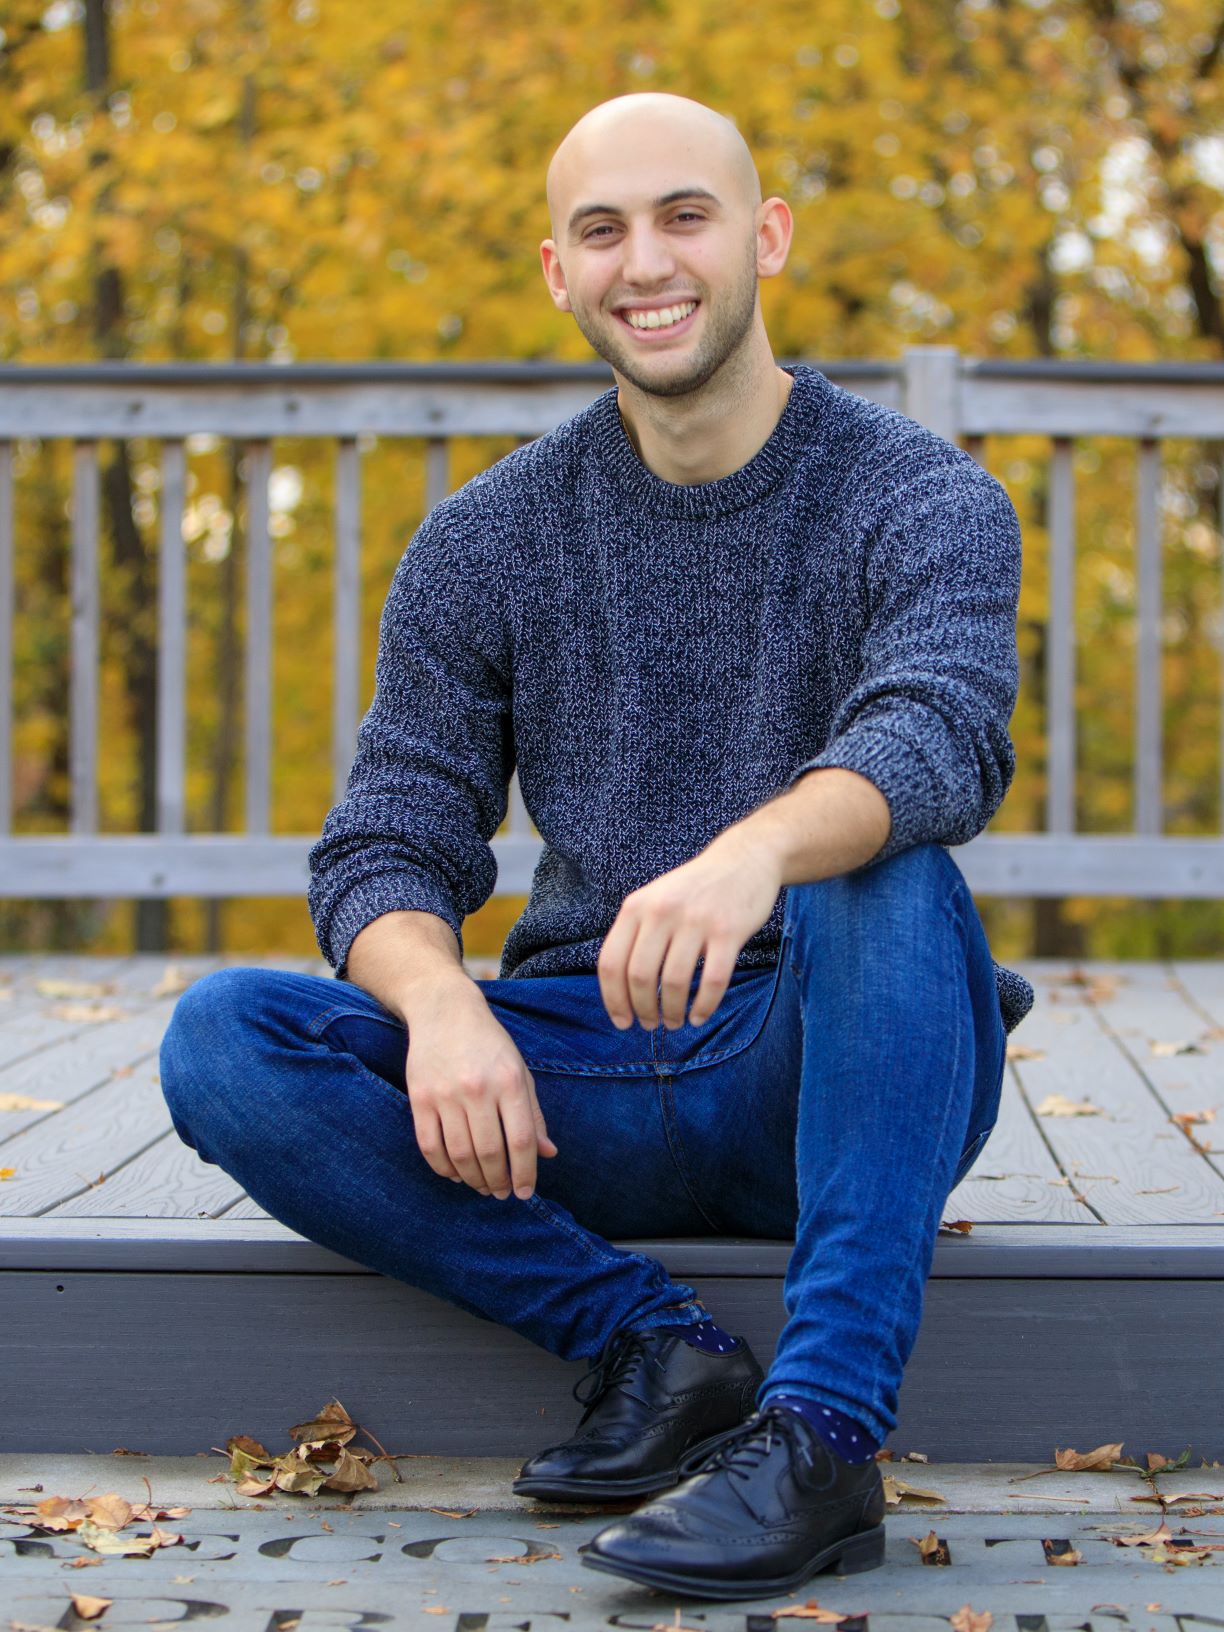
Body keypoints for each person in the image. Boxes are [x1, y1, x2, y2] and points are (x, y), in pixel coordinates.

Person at [159, 90, 1034, 1603]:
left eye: (685, 216)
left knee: (889, 865)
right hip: (578, 1083)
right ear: (560, 271)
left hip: (820, 1061)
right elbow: (387, 840)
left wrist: (754, 851)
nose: (649, 262)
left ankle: (819, 1440)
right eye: (603, 230)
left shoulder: (922, 495)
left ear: (762, 238)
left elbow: (936, 736)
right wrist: (441, 1010)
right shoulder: (489, 537)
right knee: (224, 1037)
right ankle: (653, 1344)